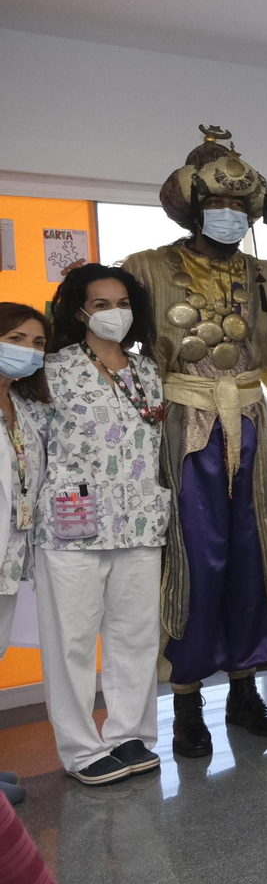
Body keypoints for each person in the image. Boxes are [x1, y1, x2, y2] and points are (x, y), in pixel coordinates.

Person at [119, 125, 267, 757]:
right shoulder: (144, 269)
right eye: (217, 206)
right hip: (182, 425)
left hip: (248, 419)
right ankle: (187, 699)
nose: (228, 217)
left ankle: (246, 688)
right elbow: (125, 354)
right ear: (193, 206)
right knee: (195, 556)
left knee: (254, 553)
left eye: (239, 209)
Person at [34, 265, 169, 785]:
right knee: (70, 638)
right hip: (72, 523)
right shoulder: (51, 369)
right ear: (79, 310)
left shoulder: (146, 371)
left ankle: (130, 734)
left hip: (138, 520)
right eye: (102, 303)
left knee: (134, 635)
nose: (115, 312)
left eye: (123, 302)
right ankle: (80, 748)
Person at [0, 303, 48, 805]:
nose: (28, 351)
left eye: (37, 344)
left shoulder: (25, 406)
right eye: (17, 338)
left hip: (12, 557)